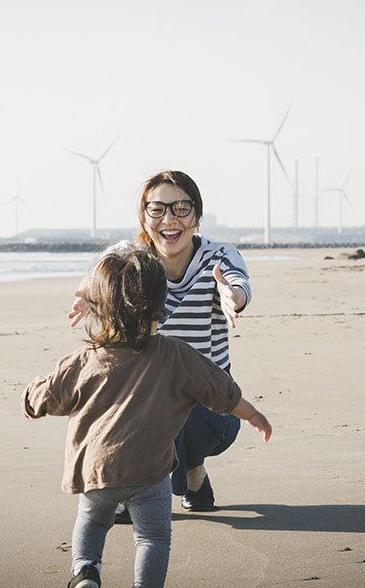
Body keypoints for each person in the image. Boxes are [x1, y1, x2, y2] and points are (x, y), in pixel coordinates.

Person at [24, 247, 272, 588]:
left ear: (99, 309)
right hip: (151, 474)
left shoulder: (84, 360)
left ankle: (85, 573)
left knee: (93, 521)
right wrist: (253, 414)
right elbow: (221, 390)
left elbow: (48, 395)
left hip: (96, 471)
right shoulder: (176, 355)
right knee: (153, 538)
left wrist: (30, 401)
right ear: (160, 310)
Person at [67, 170, 253, 514]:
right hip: (144, 403)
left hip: (211, 411)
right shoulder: (131, 259)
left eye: (182, 208)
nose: (170, 219)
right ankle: (174, 480)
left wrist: (232, 296)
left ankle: (174, 476)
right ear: (144, 216)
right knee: (119, 407)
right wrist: (90, 293)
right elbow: (99, 274)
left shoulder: (219, 255)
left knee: (190, 415)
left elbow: (237, 283)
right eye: (158, 209)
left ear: (196, 216)